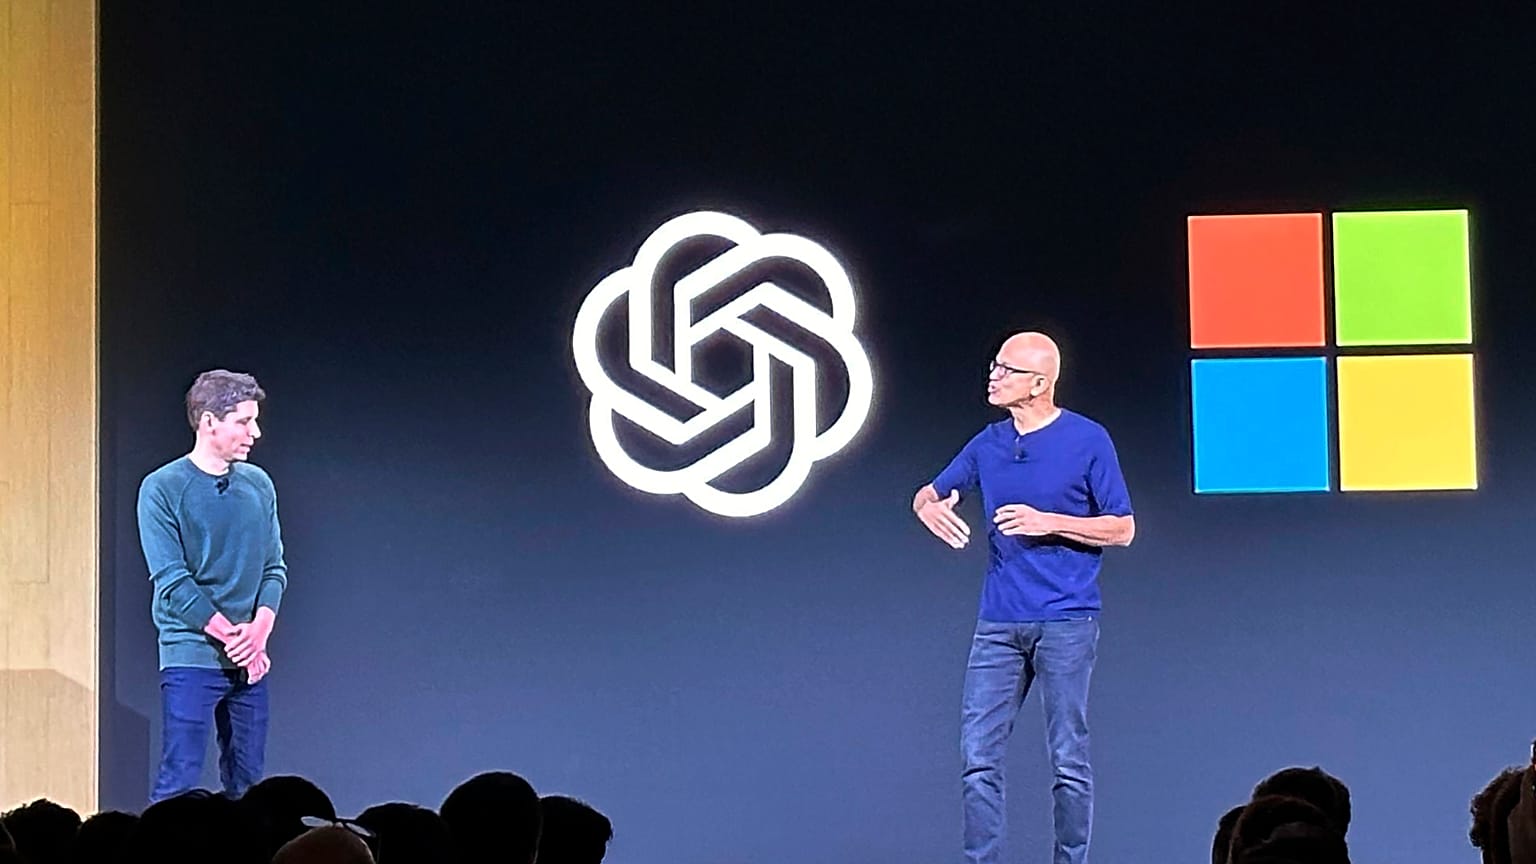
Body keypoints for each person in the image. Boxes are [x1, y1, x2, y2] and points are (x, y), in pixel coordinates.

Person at [912, 332, 1134, 864]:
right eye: (994, 365)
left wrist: (1048, 521)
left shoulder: (1087, 440)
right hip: (999, 624)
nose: (993, 375)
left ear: (1040, 383)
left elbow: (1123, 528)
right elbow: (932, 489)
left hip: (1066, 621)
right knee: (978, 758)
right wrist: (925, 505)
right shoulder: (988, 442)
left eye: (1006, 369)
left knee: (1068, 759)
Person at [137, 369, 287, 802]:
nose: (254, 433)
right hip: (192, 655)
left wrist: (258, 633)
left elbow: (274, 567)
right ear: (208, 422)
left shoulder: (259, 485)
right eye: (243, 421)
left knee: (250, 786)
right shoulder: (162, 488)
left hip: (249, 659)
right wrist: (232, 637)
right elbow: (172, 581)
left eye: (254, 421)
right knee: (178, 781)